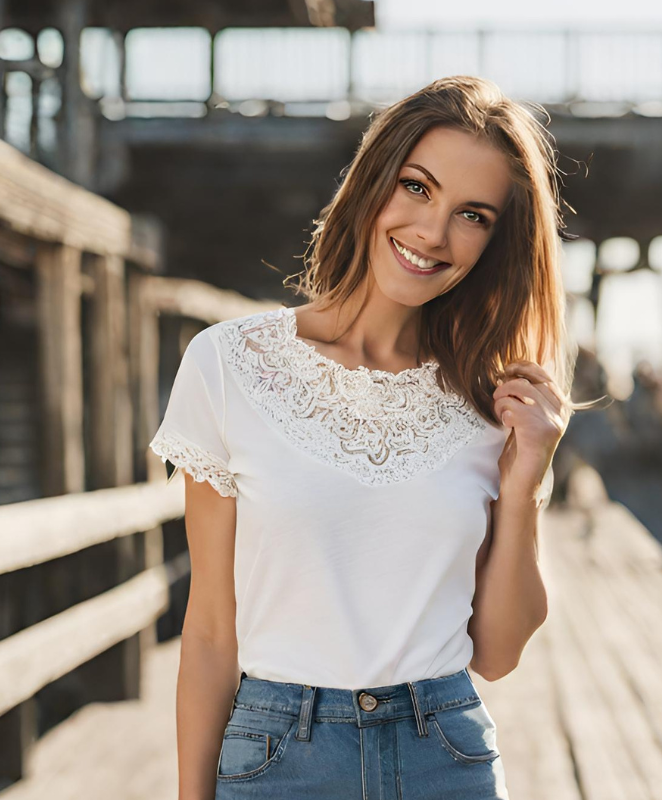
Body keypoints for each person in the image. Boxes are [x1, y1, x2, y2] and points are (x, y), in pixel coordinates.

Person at [151, 75, 593, 799]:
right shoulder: (228, 365)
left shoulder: (495, 404)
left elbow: (501, 652)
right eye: (418, 188)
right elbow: (207, 634)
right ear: (374, 179)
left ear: (494, 242)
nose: (433, 233)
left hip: (444, 754)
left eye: (473, 215)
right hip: (275, 759)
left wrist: (524, 487)